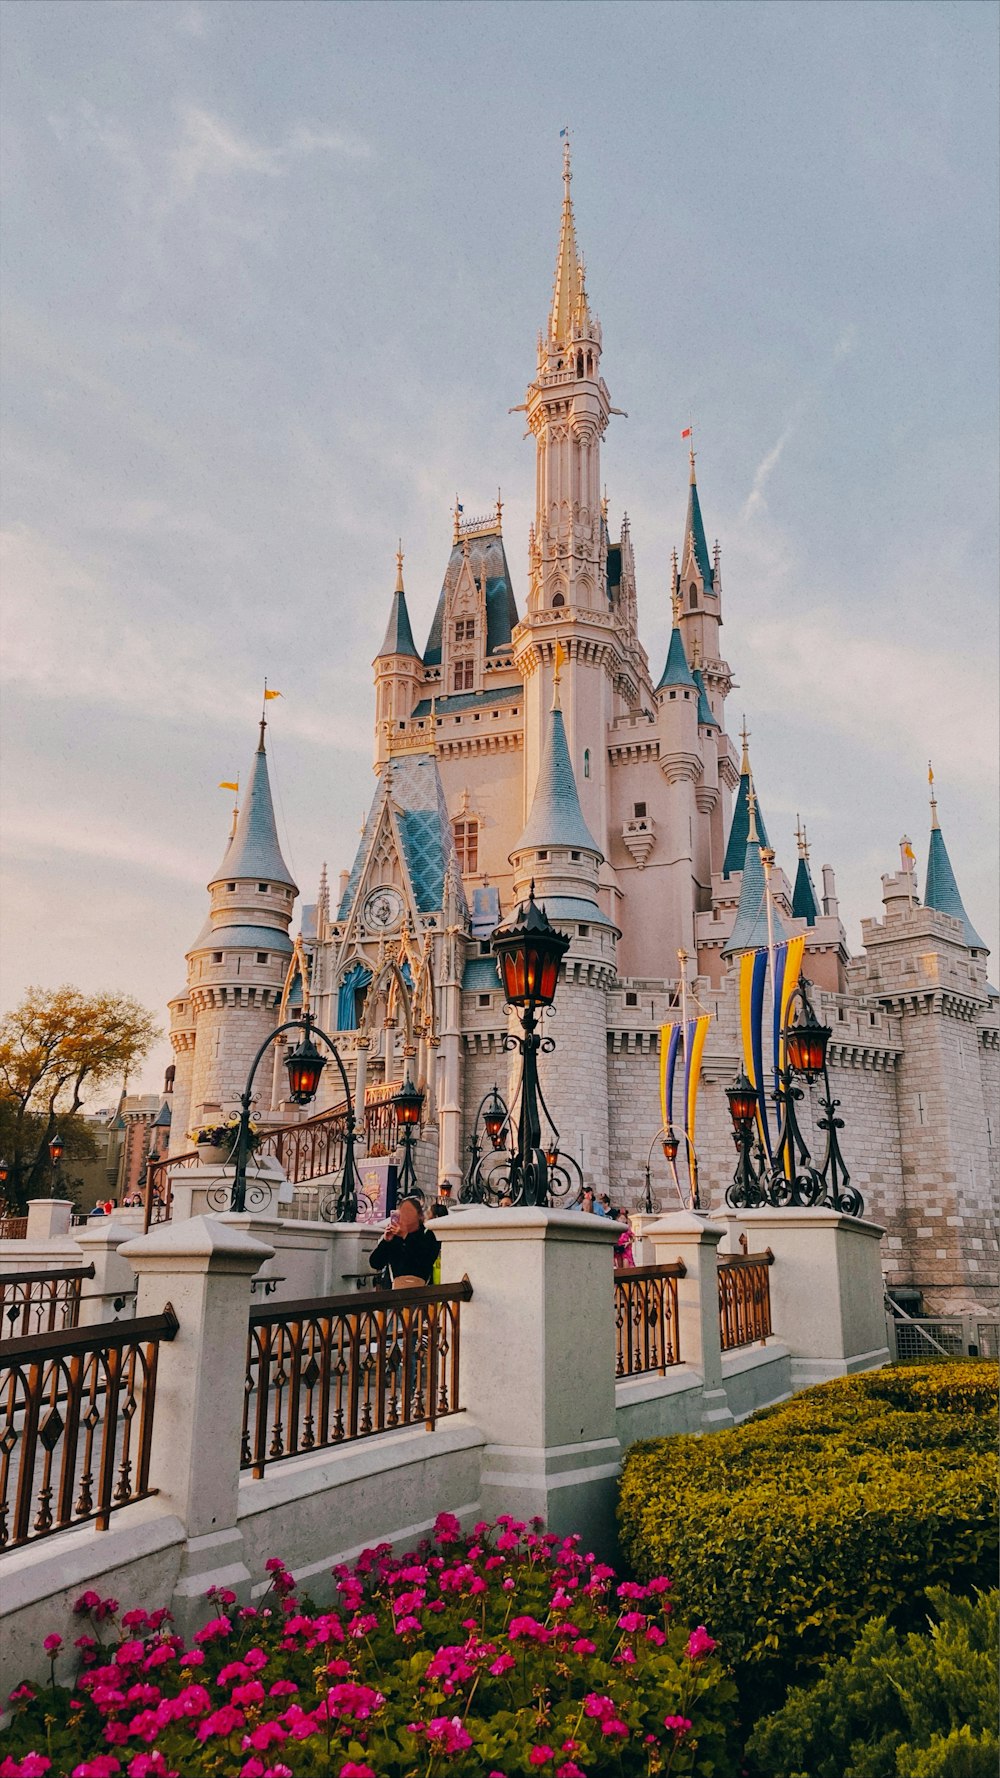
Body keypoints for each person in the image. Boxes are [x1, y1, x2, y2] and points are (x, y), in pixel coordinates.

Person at [369, 1195, 440, 1289]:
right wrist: (386, 1241)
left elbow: (423, 1261)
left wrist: (406, 1236)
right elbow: (376, 1263)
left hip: (420, 1293)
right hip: (394, 1292)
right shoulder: (395, 1237)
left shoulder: (428, 1235)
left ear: (419, 1216)